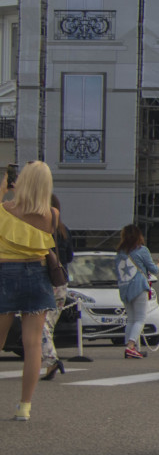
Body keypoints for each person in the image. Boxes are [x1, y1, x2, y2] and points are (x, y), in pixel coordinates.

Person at [0, 161, 59, 421]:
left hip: (5, 274)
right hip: (37, 275)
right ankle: (25, 406)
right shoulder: (52, 215)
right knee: (33, 344)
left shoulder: (4, 209)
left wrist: (4, 189)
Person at [115, 223, 159, 359]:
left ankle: (129, 347)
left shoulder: (120, 253)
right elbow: (154, 270)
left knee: (130, 319)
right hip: (139, 287)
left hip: (124, 288)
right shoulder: (142, 250)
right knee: (140, 319)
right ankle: (130, 346)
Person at [39, 194, 73, 380]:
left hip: (45, 281)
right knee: (49, 324)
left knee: (40, 324)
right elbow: (69, 257)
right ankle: (47, 362)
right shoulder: (64, 230)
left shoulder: (42, 229)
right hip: (61, 280)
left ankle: (51, 360)